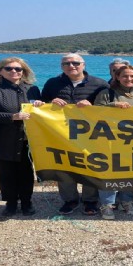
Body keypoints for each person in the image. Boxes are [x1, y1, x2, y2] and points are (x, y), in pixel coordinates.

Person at [40, 53, 109, 216]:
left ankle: (90, 200)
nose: (71, 66)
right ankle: (70, 200)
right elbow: (41, 106)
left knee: (90, 165)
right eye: (67, 63)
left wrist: (92, 105)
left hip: (90, 134)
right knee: (64, 165)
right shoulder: (52, 83)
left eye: (75, 63)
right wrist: (51, 103)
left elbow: (106, 109)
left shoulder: (99, 84)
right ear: (61, 66)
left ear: (83, 64)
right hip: (61, 133)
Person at [0, 57, 41, 217]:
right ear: (0, 71)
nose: (14, 71)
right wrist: (13, 116)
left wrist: (41, 105)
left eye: (18, 69)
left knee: (26, 172)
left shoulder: (32, 89)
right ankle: (11, 203)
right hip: (1, 139)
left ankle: (27, 202)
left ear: (23, 72)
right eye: (9, 68)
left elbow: (38, 111)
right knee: (6, 173)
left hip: (26, 139)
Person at [93, 65, 133, 219]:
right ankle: (107, 204)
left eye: (132, 76)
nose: (129, 79)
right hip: (110, 140)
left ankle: (126, 201)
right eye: (125, 76)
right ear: (117, 77)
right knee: (109, 171)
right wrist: (112, 106)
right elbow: (92, 113)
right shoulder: (107, 93)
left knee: (129, 171)